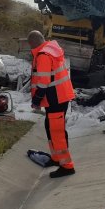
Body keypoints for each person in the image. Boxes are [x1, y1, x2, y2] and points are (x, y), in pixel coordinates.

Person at [28, 30, 76, 178]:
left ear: (33, 43)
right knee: (51, 128)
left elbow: (43, 82)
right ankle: (56, 158)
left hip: (56, 99)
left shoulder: (43, 55)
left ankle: (67, 166)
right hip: (59, 97)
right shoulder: (51, 50)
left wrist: (36, 100)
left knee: (56, 132)